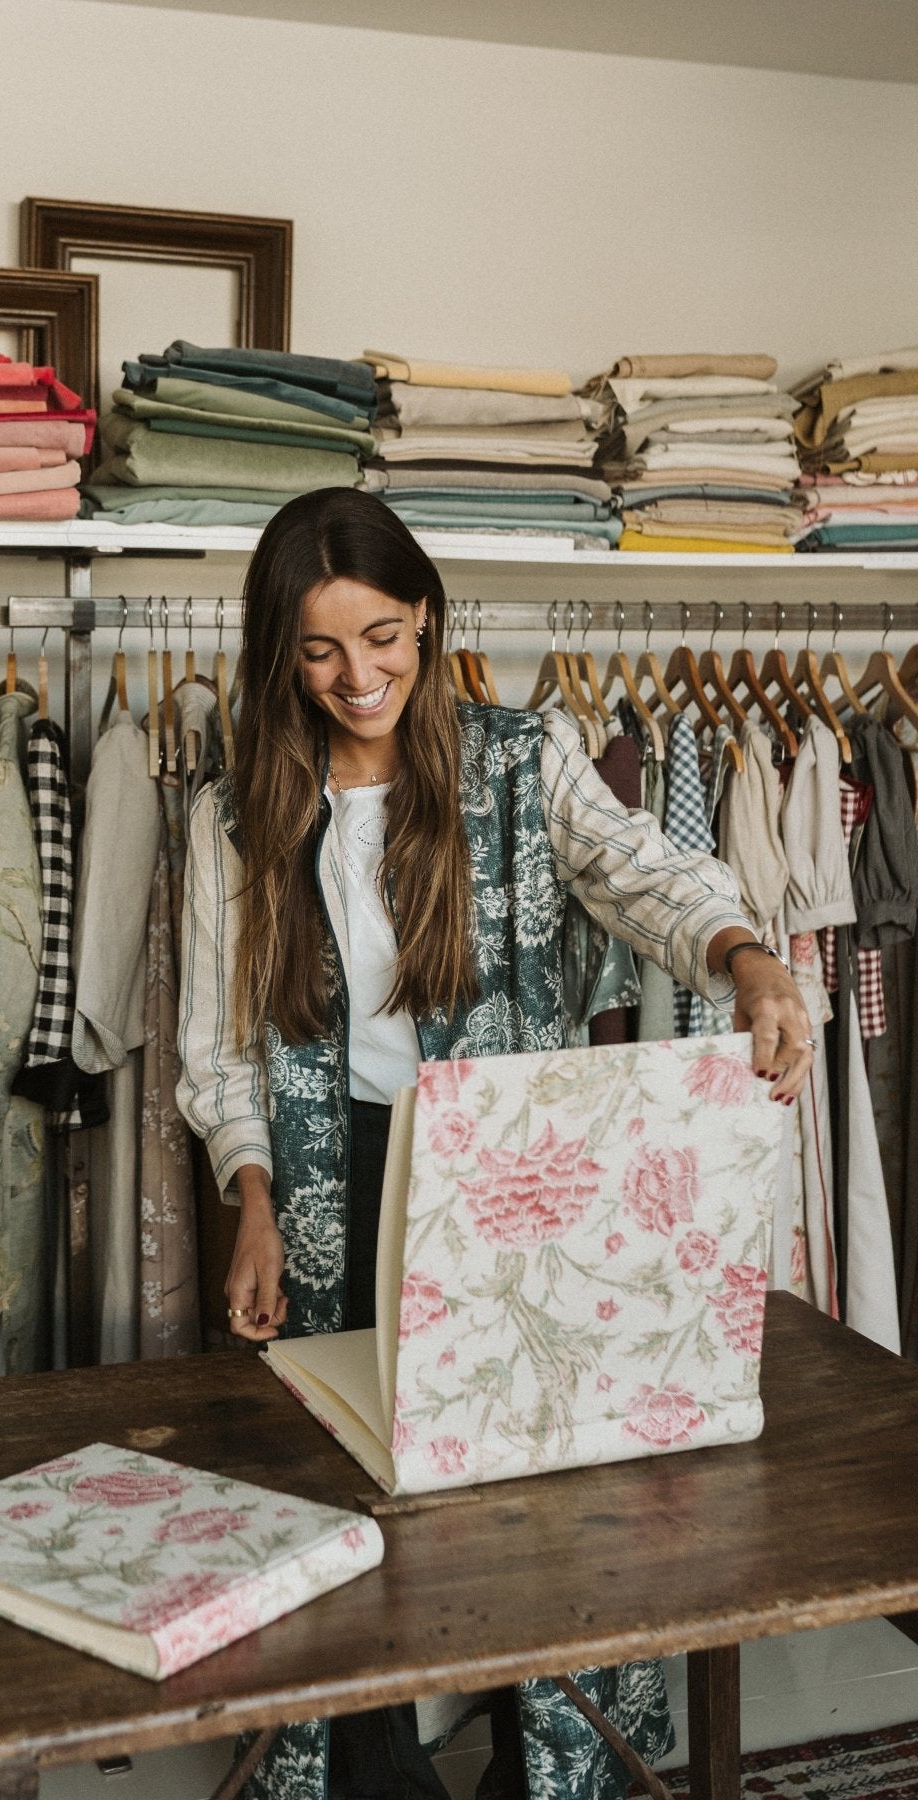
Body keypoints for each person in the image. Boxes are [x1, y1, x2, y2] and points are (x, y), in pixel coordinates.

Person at [177, 487, 812, 1800]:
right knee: (340, 1508)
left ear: (426, 618)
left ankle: (550, 1769)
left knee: (534, 1505)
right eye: (321, 649)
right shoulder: (235, 814)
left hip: (508, 1180)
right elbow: (217, 1039)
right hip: (322, 1181)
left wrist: (745, 956)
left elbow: (645, 875)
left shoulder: (521, 760)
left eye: (388, 636)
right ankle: (363, 1775)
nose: (363, 676)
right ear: (277, 655)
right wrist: (248, 1193)